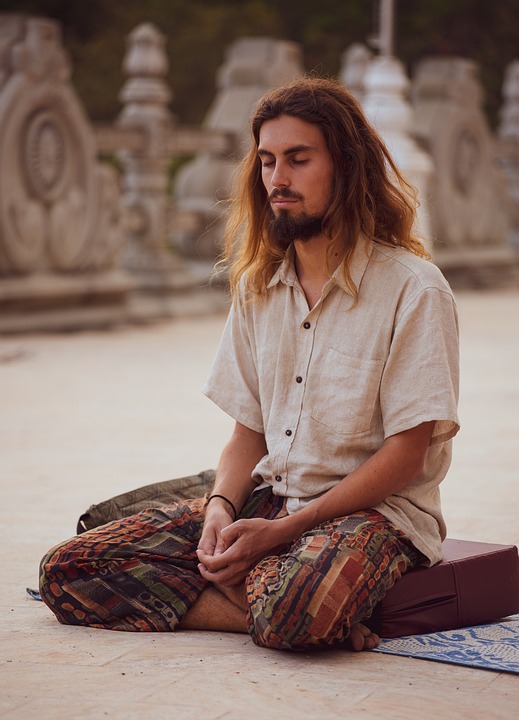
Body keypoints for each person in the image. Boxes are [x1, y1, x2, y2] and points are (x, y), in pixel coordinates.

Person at [39, 77, 459, 652]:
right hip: (274, 494)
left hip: (373, 514)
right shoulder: (259, 286)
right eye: (266, 162)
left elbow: (407, 455)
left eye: (298, 159)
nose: (277, 180)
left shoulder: (414, 290)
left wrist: (283, 533)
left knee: (296, 610)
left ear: (346, 165)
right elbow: (249, 432)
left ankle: (282, 600)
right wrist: (220, 508)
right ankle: (262, 604)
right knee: (69, 568)